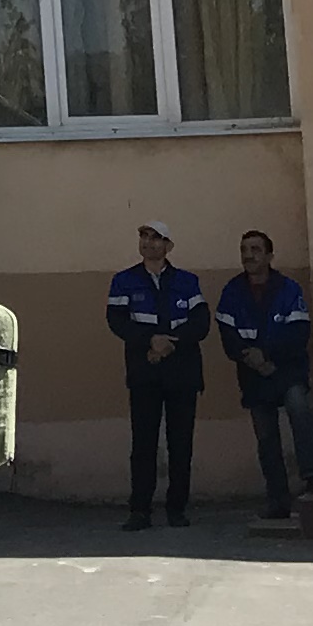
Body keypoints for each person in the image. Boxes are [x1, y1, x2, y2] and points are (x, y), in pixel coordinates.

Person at [213, 228, 313, 528]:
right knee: (266, 437)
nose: (248, 255)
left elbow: (299, 333)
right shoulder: (232, 292)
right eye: (244, 250)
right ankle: (277, 499)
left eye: (255, 249)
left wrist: (266, 355)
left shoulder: (289, 289)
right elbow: (227, 335)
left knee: (299, 408)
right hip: (252, 374)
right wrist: (249, 357)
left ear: (269, 255)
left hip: (286, 370)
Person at [106, 222, 207, 531]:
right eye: (144, 236)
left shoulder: (188, 282)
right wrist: (150, 341)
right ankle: (140, 510)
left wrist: (169, 345)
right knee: (143, 444)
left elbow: (200, 323)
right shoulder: (124, 281)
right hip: (144, 373)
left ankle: (177, 509)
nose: (148, 242)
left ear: (168, 246)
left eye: (156, 238)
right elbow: (117, 321)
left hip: (182, 374)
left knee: (181, 443)